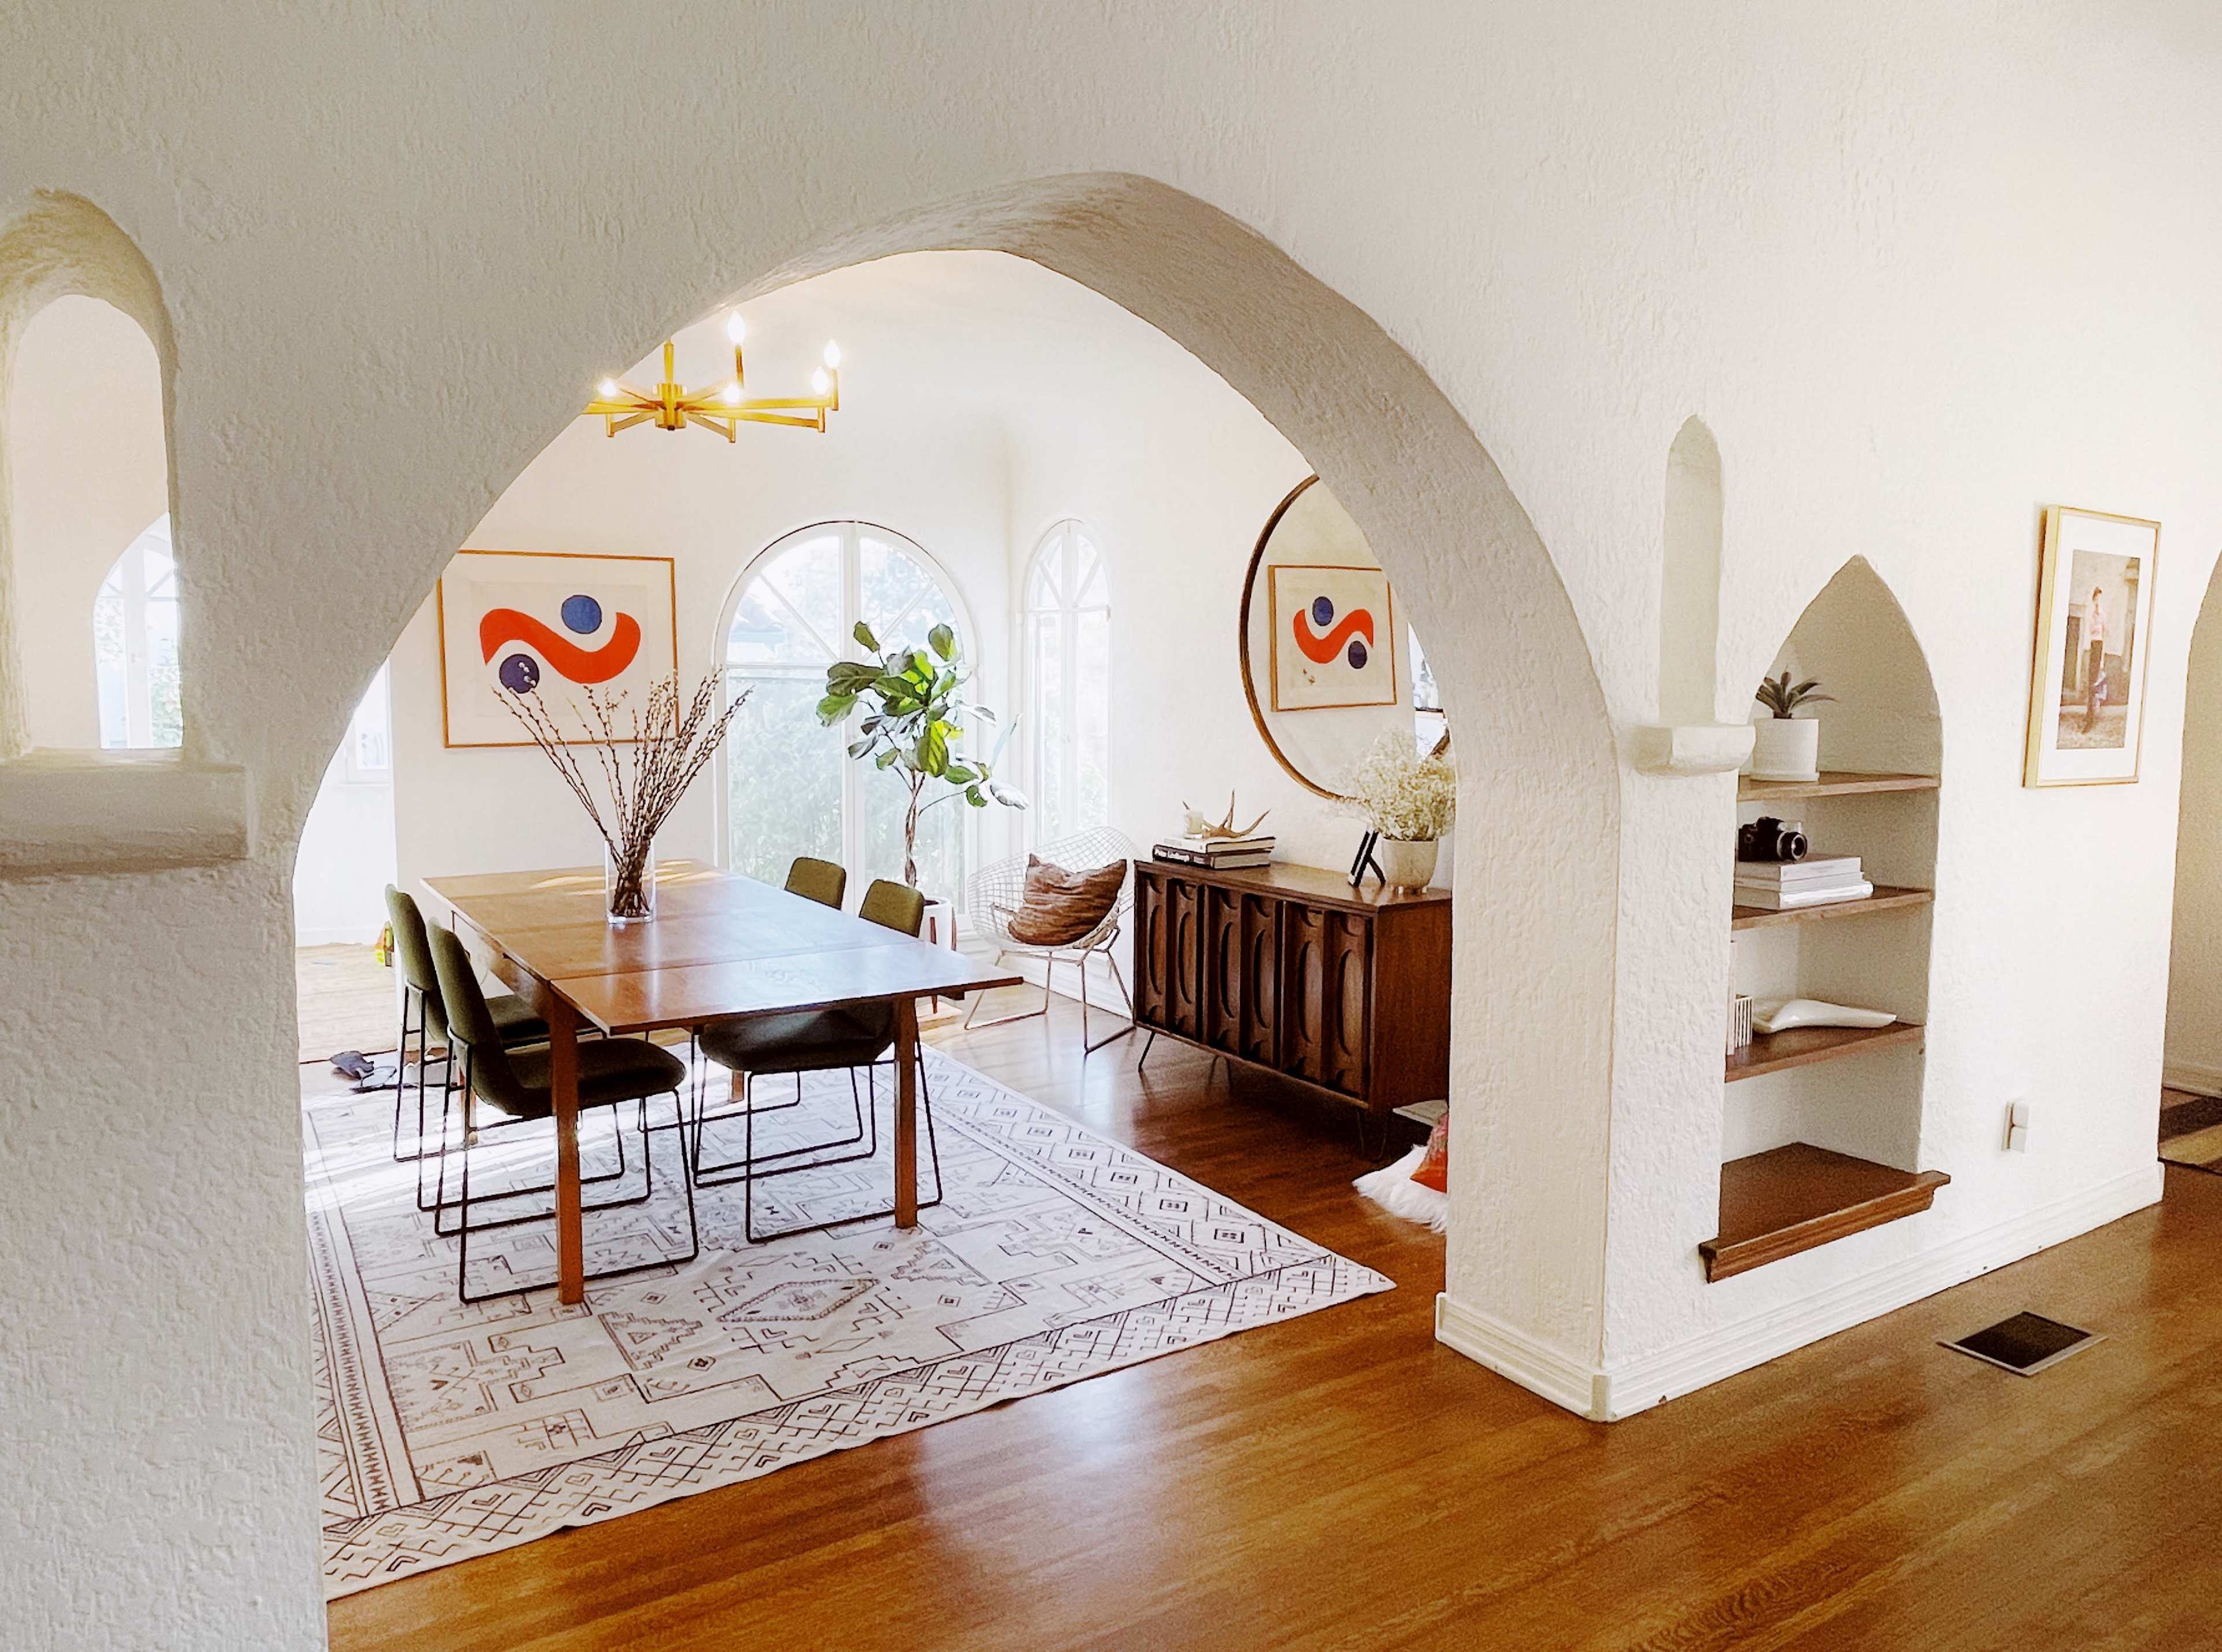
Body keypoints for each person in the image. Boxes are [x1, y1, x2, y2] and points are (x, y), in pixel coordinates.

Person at [2084, 585, 2109, 731]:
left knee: (2095, 684)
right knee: (2090, 685)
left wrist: (2102, 661)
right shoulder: (2090, 615)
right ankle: (2089, 715)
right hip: (2091, 647)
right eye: (2096, 598)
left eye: (2100, 599)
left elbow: (2104, 636)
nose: (2098, 601)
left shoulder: (2103, 616)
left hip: (2098, 647)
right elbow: (2088, 632)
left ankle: (2091, 718)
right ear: (2093, 599)